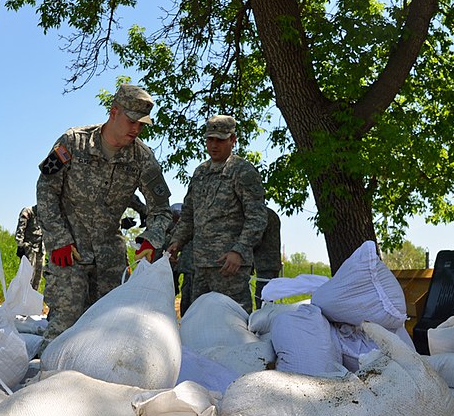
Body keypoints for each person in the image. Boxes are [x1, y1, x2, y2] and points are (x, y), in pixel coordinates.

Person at [36, 84, 173, 340]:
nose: (136, 129)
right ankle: (48, 378)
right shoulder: (73, 142)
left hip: (111, 259)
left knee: (108, 335)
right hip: (70, 253)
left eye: (142, 124)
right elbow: (46, 190)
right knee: (62, 331)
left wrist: (151, 240)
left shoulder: (142, 157)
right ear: (113, 112)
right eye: (132, 121)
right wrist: (58, 239)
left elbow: (161, 210)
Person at [168, 114, 267, 313]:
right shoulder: (200, 173)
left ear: (232, 140)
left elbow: (257, 217)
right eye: (210, 139)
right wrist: (176, 242)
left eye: (220, 140)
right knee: (199, 321)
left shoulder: (242, 171)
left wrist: (239, 251)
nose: (214, 145)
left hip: (229, 267)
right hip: (201, 265)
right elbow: (188, 215)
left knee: (234, 322)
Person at [253, 206, 282, 301]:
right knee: (269, 296)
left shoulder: (260, 214)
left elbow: (255, 239)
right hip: (273, 263)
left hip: (264, 263)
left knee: (263, 298)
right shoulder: (272, 214)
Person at [14, 205, 45, 291]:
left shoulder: (45, 214)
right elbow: (20, 229)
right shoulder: (28, 212)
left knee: (38, 275)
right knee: (27, 275)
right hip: (29, 248)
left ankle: (32, 296)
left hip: (40, 248)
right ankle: (23, 297)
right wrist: (21, 246)